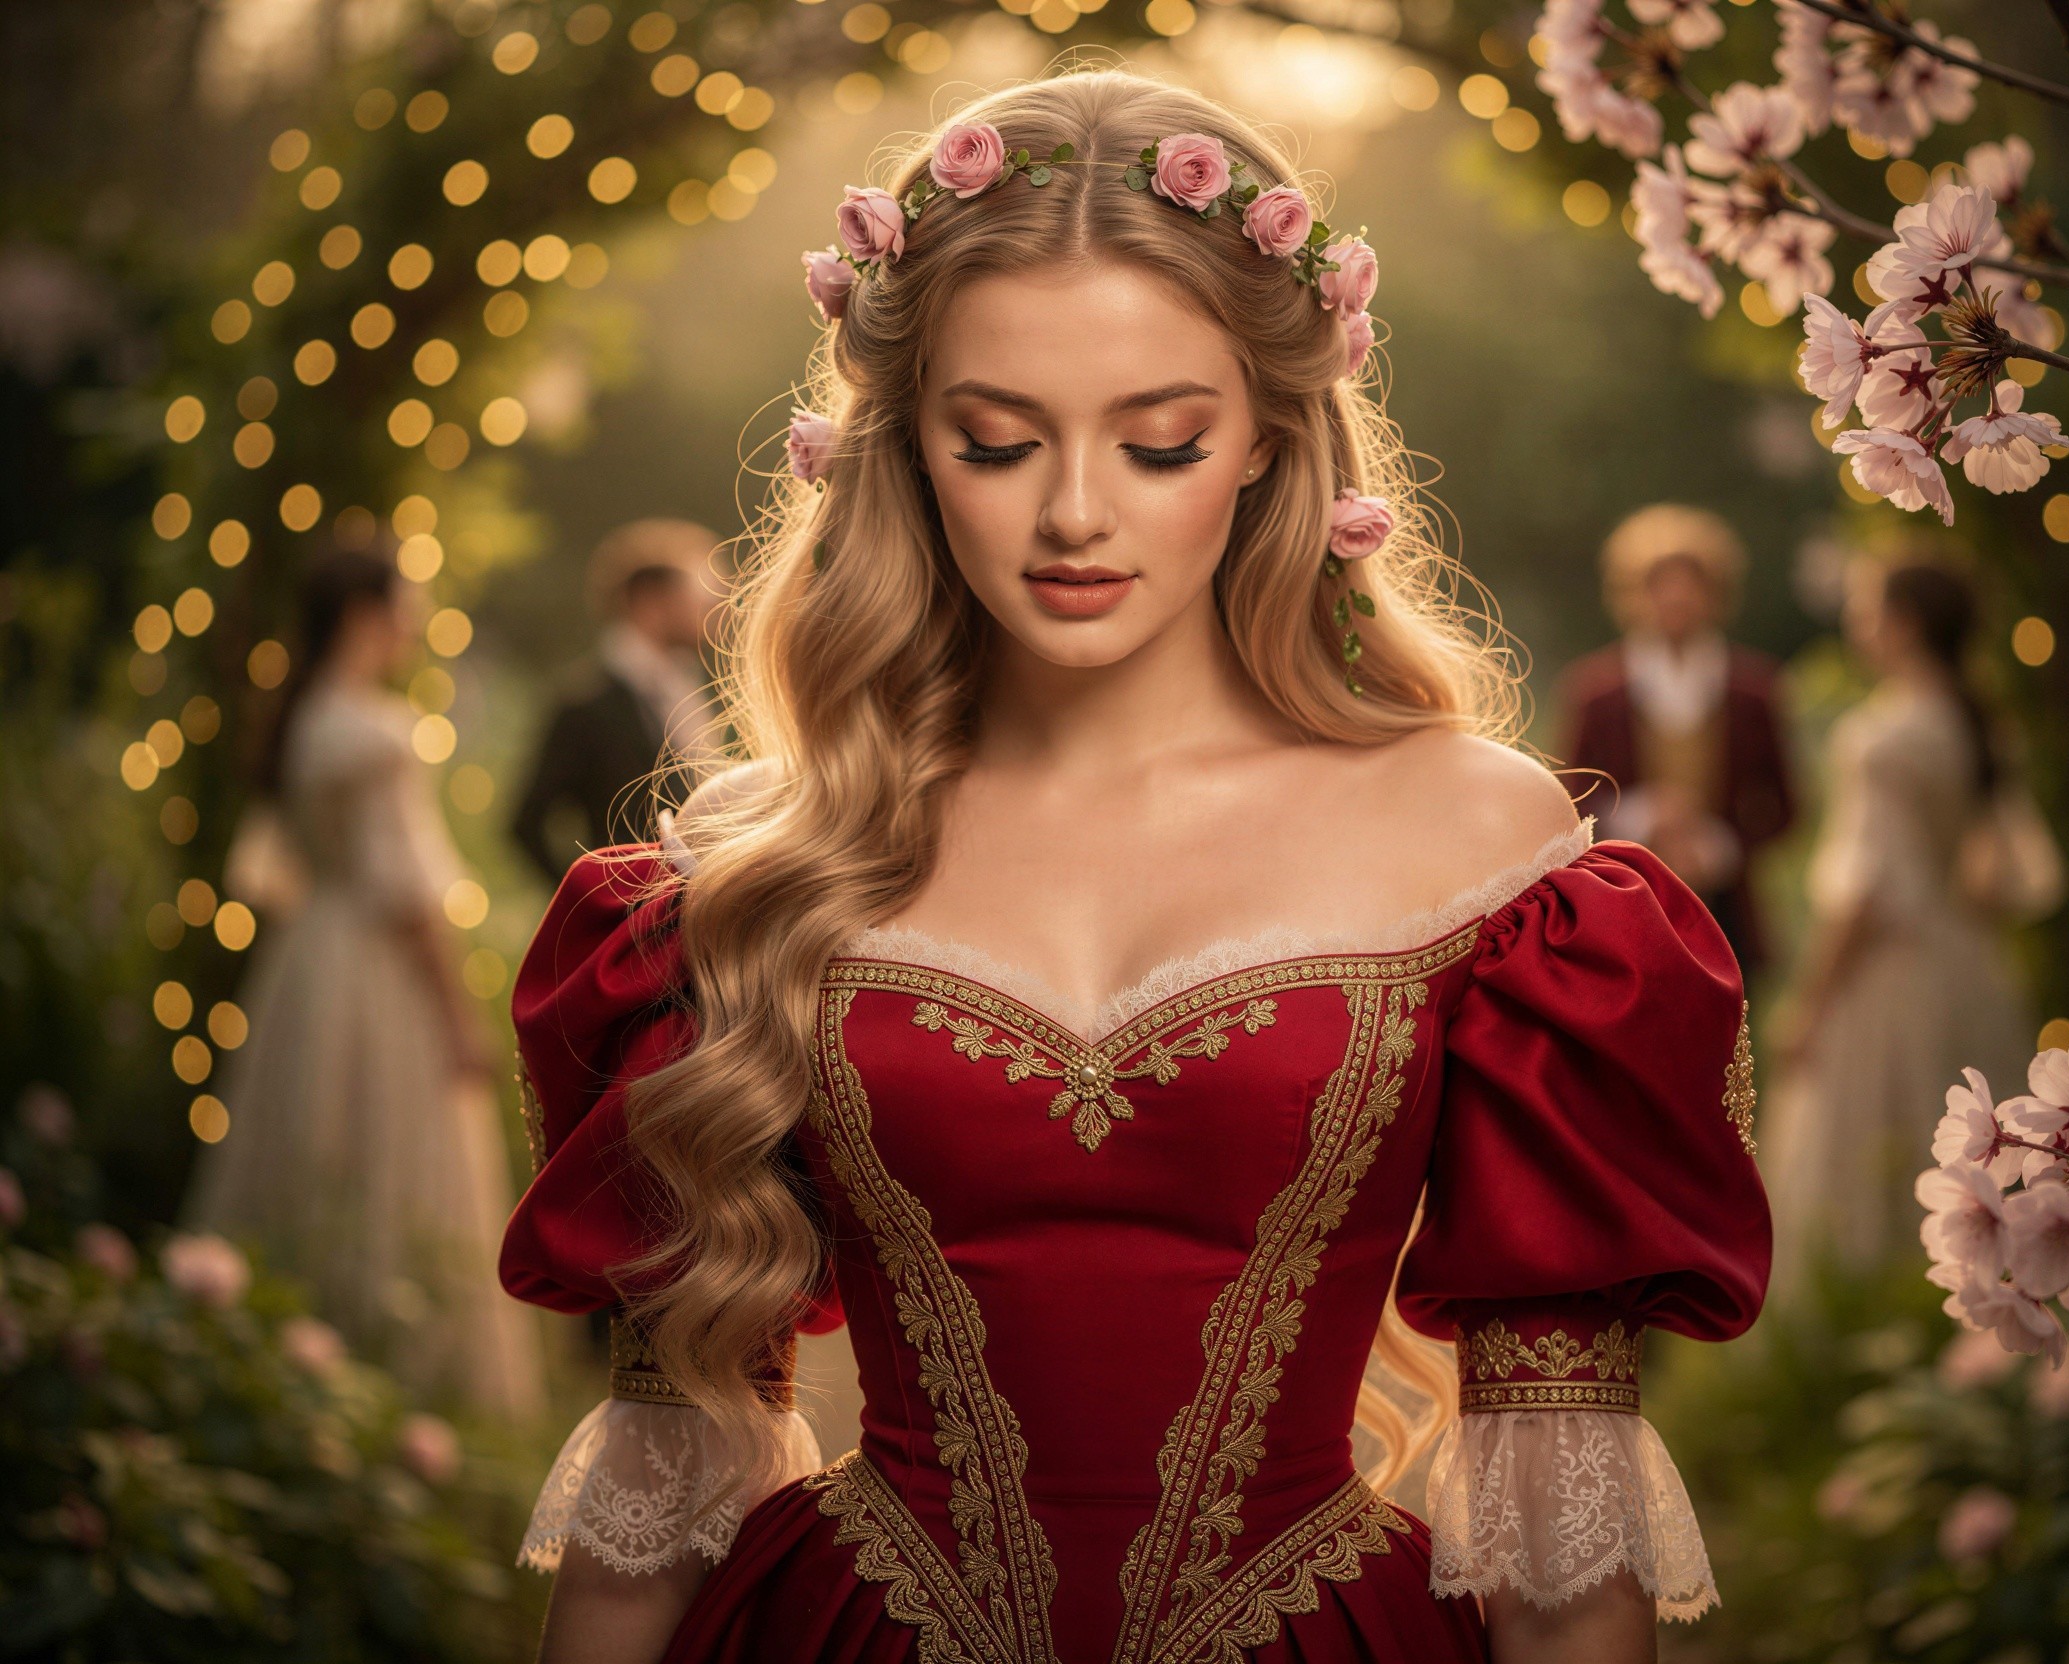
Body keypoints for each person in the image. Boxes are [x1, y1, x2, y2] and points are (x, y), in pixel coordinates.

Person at [500, 74, 1770, 1664]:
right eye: (995, 441)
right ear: (906, 447)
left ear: (1268, 440)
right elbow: (657, 1496)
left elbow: (1563, 1549)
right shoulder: (761, 859)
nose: (1076, 516)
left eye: (1162, 442)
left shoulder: (1484, 850)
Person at [188, 550, 543, 1415]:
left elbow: (276, 871)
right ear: (362, 613)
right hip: (377, 966)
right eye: (402, 606)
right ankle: (389, 1367)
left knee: (309, 1138)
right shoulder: (379, 733)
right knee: (393, 1147)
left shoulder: (303, 715)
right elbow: (407, 893)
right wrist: (458, 1018)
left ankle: (278, 1347)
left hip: (308, 957)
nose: (410, 625)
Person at [1762, 554, 2059, 1278]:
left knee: (1869, 1157)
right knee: (1964, 1152)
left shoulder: (1888, 736)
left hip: (1890, 973)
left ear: (1906, 624)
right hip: (1966, 963)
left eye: (1867, 609)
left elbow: (1868, 887)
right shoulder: (1970, 719)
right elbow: (1996, 874)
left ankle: (1868, 1310)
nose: (1857, 624)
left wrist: (1812, 1003)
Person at [1560, 505, 1796, 971]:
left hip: (1727, 908)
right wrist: (1639, 817)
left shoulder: (1753, 691)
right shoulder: (1596, 692)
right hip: (1627, 901)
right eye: (1658, 585)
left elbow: (1786, 806)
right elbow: (1570, 797)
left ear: (1716, 593)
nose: (1675, 597)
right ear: (1632, 594)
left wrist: (1722, 845)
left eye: (1691, 584)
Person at [510, 519, 724, 884]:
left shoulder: (687, 692)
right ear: (649, 602)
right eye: (696, 596)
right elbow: (527, 823)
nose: (712, 608)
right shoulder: (586, 704)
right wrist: (590, 898)